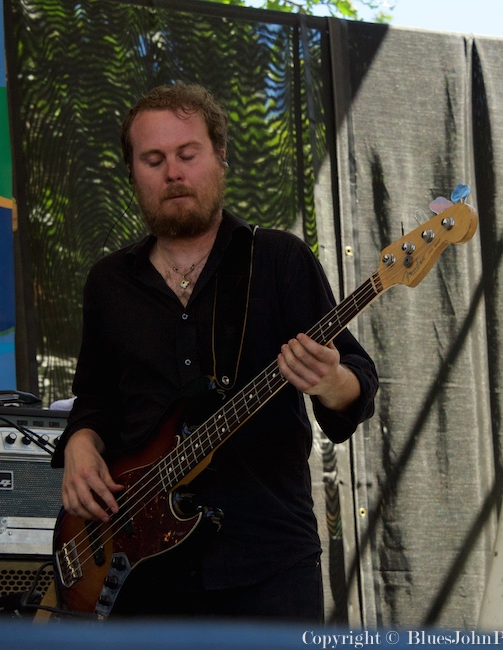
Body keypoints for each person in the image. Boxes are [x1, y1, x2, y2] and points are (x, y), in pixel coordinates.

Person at [52, 82, 378, 622]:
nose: (173, 173)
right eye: (153, 160)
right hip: (143, 574)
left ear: (220, 157)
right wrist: (81, 444)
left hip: (267, 563)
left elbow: (357, 383)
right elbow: (96, 399)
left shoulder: (278, 260)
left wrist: (330, 381)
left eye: (188, 154)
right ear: (132, 172)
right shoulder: (109, 283)